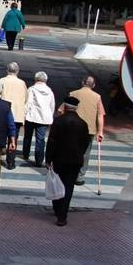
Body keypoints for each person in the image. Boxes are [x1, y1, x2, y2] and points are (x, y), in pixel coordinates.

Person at [46, 97, 91, 226]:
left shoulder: (58, 121)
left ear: (65, 107)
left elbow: (52, 141)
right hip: (75, 160)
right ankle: (62, 215)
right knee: (69, 187)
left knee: (57, 183)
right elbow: (85, 143)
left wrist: (48, 158)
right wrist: (80, 154)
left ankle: (57, 209)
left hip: (59, 159)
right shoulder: (83, 123)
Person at [68, 76, 105, 186]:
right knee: (85, 153)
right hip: (89, 130)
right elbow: (100, 115)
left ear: (82, 82)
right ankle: (80, 177)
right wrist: (100, 132)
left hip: (73, 128)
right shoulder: (97, 97)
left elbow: (61, 110)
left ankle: (70, 174)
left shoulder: (72, 94)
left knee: (71, 151)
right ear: (93, 85)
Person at [0, 62, 27, 170]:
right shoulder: (22, 83)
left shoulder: (2, 81)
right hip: (17, 114)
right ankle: (11, 161)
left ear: (7, 70)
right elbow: (26, 98)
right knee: (13, 138)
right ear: (17, 71)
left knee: (1, 136)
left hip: (4, 113)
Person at [23, 72, 55, 167]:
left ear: (36, 79)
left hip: (31, 116)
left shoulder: (32, 89)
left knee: (27, 136)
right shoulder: (50, 91)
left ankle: (26, 154)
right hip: (44, 118)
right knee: (40, 139)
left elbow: (28, 103)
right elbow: (52, 105)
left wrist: (24, 113)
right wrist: (50, 115)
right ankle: (39, 160)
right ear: (46, 80)